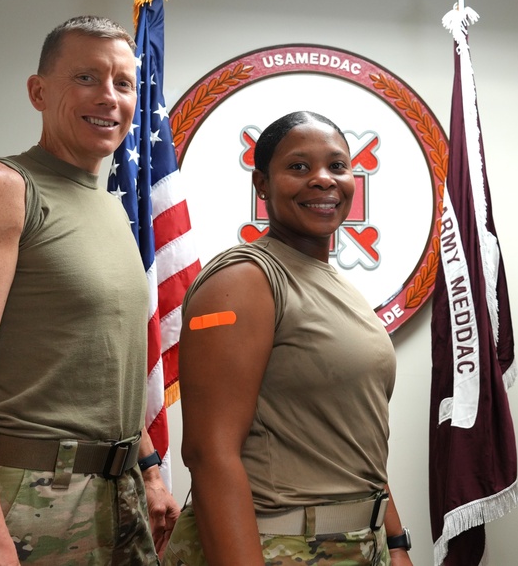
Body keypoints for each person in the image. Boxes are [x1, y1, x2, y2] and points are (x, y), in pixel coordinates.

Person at [0, 16, 179, 565]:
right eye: (87, 77)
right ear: (38, 91)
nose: (109, 97)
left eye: (123, 84)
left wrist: (147, 471)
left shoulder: (108, 205)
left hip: (117, 495)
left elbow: (104, 364)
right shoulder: (2, 187)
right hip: (28, 497)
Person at [162, 111, 413, 566]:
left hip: (359, 543)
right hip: (277, 547)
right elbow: (208, 452)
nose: (323, 180)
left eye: (337, 166)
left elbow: (352, 439)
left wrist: (394, 543)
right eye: (299, 167)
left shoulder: (337, 284)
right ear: (261, 184)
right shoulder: (245, 278)